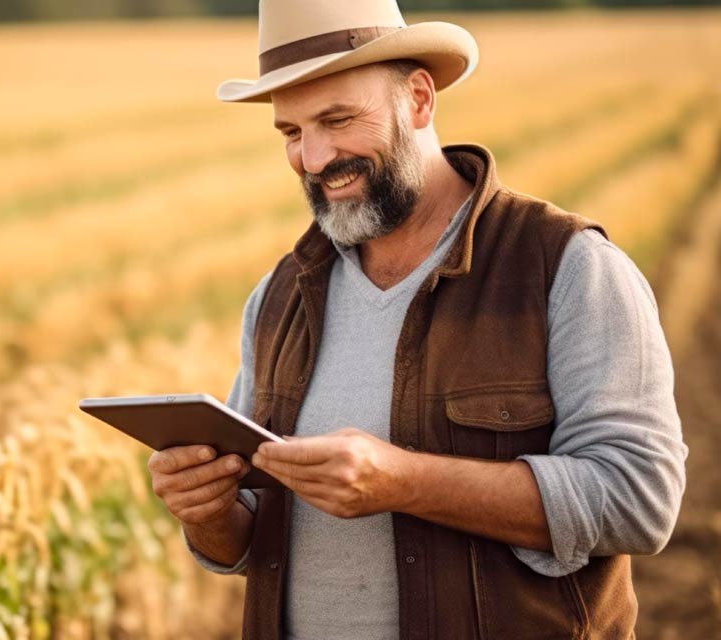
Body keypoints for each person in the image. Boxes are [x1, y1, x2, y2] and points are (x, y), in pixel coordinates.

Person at [145, 1, 689, 638]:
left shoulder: (565, 266)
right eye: (291, 133)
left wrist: (404, 482)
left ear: (421, 99)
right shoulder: (279, 294)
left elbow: (639, 500)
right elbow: (249, 540)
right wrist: (205, 512)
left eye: (338, 119)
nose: (314, 158)